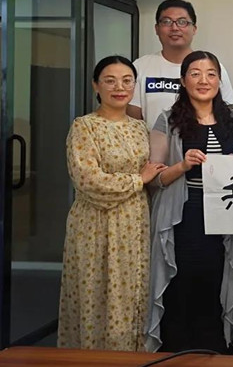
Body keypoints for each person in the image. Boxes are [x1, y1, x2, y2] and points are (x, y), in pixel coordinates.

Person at [58, 56, 166, 351]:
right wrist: (137, 180)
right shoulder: (84, 127)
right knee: (96, 296)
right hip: (96, 225)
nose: (120, 87)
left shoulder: (141, 128)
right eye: (110, 80)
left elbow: (155, 171)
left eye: (127, 81)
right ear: (96, 85)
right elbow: (88, 180)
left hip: (135, 223)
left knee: (132, 295)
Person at [145, 51, 233, 354]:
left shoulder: (232, 120)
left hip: (223, 213)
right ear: (183, 80)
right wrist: (183, 165)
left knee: (215, 283)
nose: (204, 80)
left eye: (211, 74)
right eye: (195, 73)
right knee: (181, 283)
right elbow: (156, 179)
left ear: (219, 80)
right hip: (184, 213)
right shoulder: (168, 120)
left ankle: (213, 352)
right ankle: (177, 352)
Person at [128, 0, 233, 129]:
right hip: (155, 141)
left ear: (194, 29)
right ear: (157, 29)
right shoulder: (140, 67)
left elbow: (227, 113)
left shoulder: (213, 68)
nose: (174, 28)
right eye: (166, 22)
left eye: (182, 22)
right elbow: (132, 120)